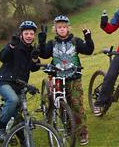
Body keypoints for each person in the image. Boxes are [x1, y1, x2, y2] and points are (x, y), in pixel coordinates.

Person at [38, 15, 94, 146]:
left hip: (74, 77)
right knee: (60, 105)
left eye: (64, 27)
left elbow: (89, 50)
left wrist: (88, 37)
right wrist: (41, 42)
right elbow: (44, 54)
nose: (62, 29)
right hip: (57, 77)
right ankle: (68, 128)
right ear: (55, 29)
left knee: (76, 105)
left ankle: (82, 133)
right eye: (59, 27)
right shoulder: (52, 43)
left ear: (68, 28)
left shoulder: (75, 41)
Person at [0, 20, 40, 141]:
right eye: (26, 33)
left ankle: (23, 140)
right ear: (21, 34)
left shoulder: (32, 50)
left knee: (19, 114)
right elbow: (2, 57)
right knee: (13, 100)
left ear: (34, 35)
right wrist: (11, 46)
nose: (29, 36)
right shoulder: (14, 45)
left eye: (31, 33)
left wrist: (35, 58)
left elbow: (34, 68)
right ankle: (1, 129)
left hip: (20, 85)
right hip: (4, 81)